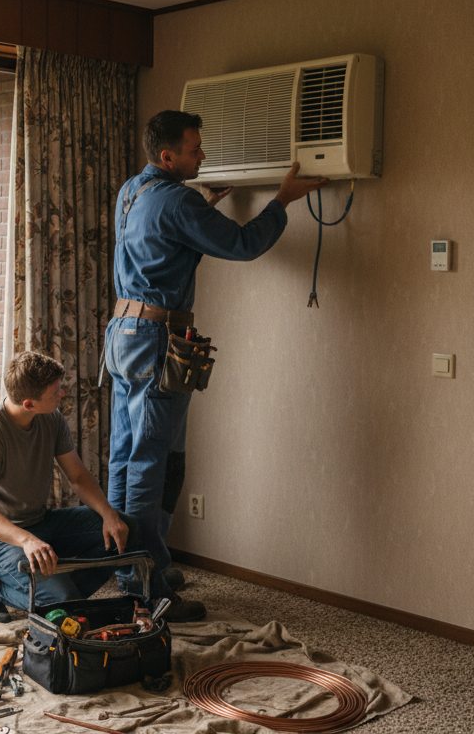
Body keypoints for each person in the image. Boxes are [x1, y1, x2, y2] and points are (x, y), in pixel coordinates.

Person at [104, 110, 328, 622]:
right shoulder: (178, 201)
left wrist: (201, 208)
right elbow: (245, 244)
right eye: (193, 149)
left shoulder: (132, 191)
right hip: (156, 338)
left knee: (126, 455)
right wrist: (282, 201)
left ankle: (131, 568)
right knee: (149, 461)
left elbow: (161, 243)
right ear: (168, 157)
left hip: (122, 334)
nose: (202, 155)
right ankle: (150, 587)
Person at [0, 351, 137, 622]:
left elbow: (78, 477)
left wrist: (108, 514)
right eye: (56, 392)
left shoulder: (51, 418)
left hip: (38, 522)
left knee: (125, 532)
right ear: (29, 404)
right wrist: (27, 540)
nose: (63, 394)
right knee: (65, 603)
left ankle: (54, 589)